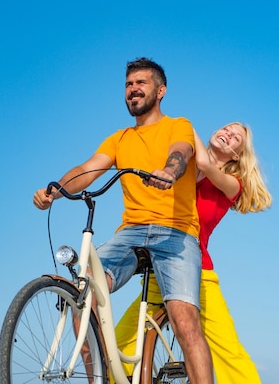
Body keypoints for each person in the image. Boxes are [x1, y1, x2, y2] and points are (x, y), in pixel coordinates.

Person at [33, 57, 214, 384]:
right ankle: (99, 377)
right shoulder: (120, 139)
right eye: (129, 85)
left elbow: (181, 153)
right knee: (81, 293)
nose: (133, 89)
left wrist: (169, 172)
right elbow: (87, 170)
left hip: (177, 233)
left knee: (184, 320)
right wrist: (55, 190)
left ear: (160, 91)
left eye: (141, 83)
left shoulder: (178, 125)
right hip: (130, 234)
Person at [115, 122, 273, 383]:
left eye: (235, 138)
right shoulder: (183, 170)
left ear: (236, 155)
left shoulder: (231, 185)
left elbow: (206, 163)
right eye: (226, 129)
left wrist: (185, 127)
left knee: (229, 354)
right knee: (117, 347)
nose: (227, 134)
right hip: (159, 272)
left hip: (199, 276)